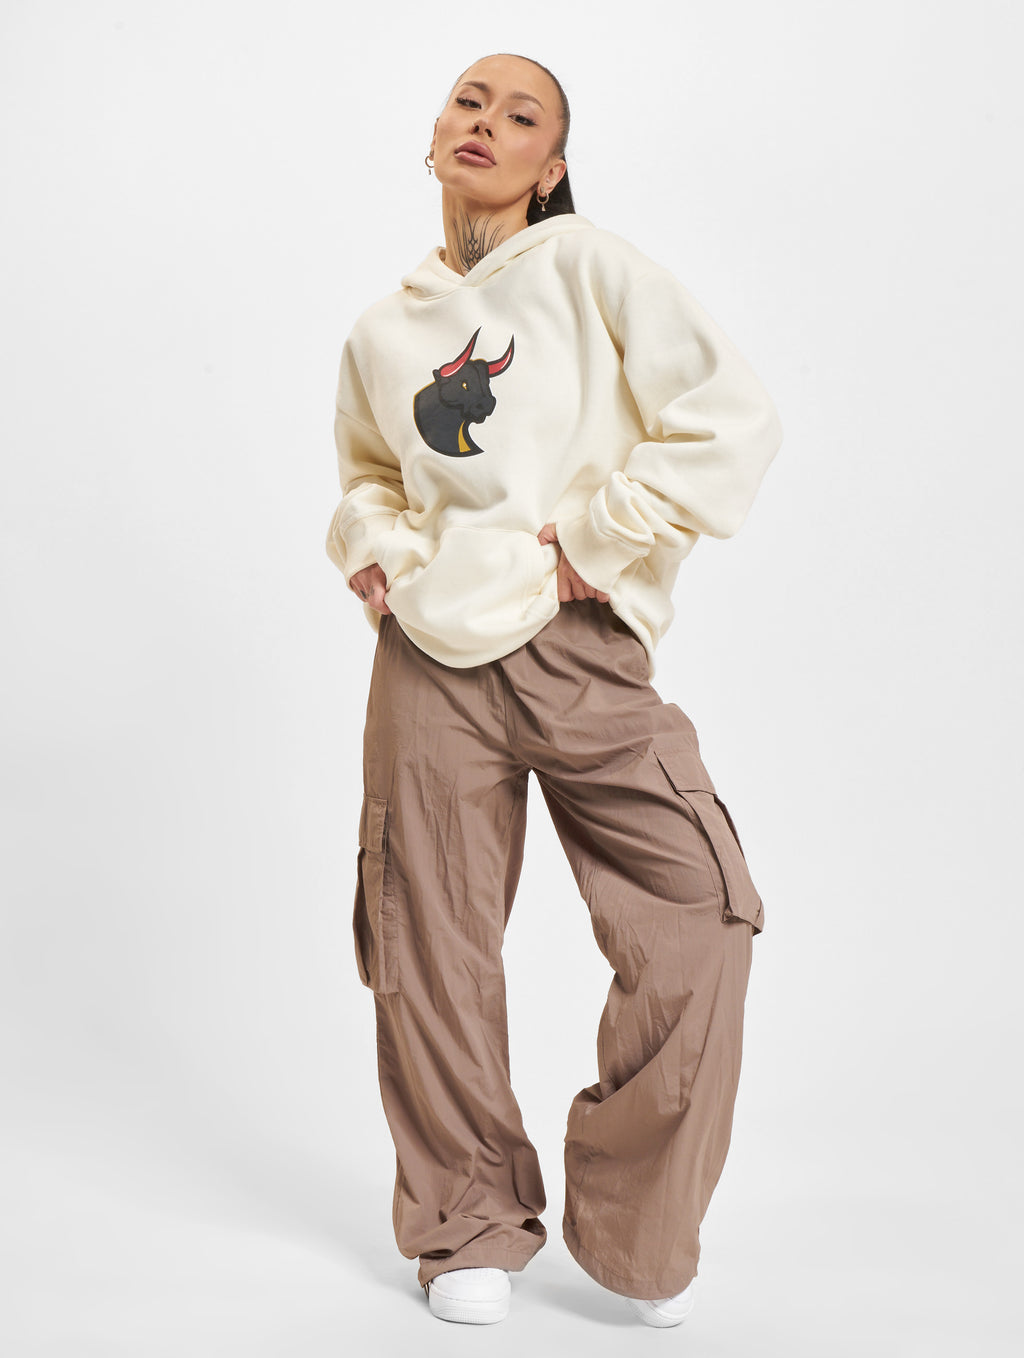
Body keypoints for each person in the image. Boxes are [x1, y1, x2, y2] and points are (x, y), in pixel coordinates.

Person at [325, 52, 783, 1329]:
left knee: (699, 913)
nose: (486, 123)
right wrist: (374, 546)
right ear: (433, 138)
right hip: (427, 657)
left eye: (520, 114)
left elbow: (732, 417)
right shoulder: (382, 329)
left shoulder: (592, 269)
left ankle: (637, 1226)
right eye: (468, 104)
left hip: (580, 643)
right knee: (427, 939)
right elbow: (369, 474)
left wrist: (606, 532)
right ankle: (465, 1218)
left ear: (554, 164)